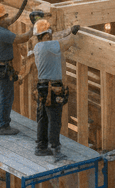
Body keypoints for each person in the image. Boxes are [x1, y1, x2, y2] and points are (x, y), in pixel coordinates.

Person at [30, 19, 80, 157]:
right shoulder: (51, 46)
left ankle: (41, 147)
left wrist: (69, 29)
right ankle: (55, 148)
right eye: (50, 33)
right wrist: (74, 34)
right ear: (45, 35)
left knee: (43, 118)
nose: (52, 34)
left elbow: (58, 37)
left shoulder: (37, 46)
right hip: (53, 88)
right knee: (55, 119)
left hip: (42, 87)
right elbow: (67, 42)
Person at [0, 2, 33, 135]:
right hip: (3, 69)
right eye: (3, 17)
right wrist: (33, 28)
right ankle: (3, 126)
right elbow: (22, 38)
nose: (5, 19)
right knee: (6, 96)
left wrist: (20, 11)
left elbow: (8, 22)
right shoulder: (1, 33)